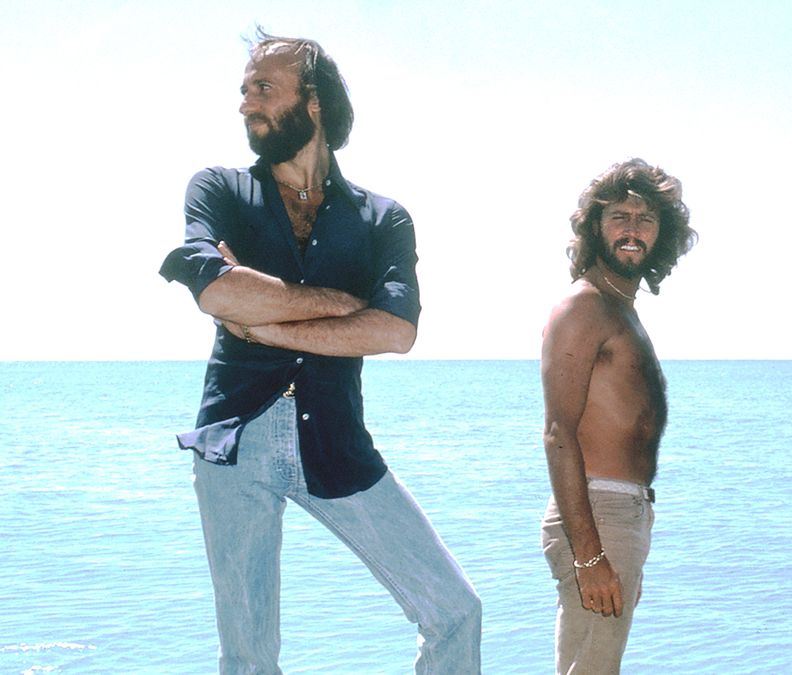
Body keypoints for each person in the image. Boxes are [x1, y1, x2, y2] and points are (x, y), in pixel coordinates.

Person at [158, 30, 480, 674]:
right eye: (245, 89)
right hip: (235, 442)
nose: (247, 103)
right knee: (248, 659)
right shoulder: (218, 188)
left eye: (264, 89)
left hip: (336, 440)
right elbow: (216, 293)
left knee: (455, 612)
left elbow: (396, 330)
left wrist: (269, 322)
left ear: (315, 104)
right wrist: (341, 305)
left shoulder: (382, 218)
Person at [539, 158, 697, 673]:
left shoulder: (621, 309)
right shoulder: (584, 309)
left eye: (646, 219)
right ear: (594, 228)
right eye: (619, 218)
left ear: (662, 234)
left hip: (621, 513)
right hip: (598, 513)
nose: (632, 229)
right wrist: (588, 555)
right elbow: (559, 435)